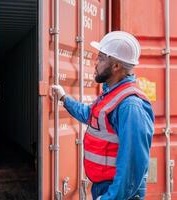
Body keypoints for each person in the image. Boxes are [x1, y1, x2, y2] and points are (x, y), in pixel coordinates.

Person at [52, 31, 155, 200]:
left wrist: (111, 197)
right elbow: (89, 115)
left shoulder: (130, 106)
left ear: (116, 66)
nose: (95, 62)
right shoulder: (111, 94)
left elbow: (131, 166)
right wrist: (64, 98)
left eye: (100, 58)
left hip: (117, 192)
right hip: (104, 187)